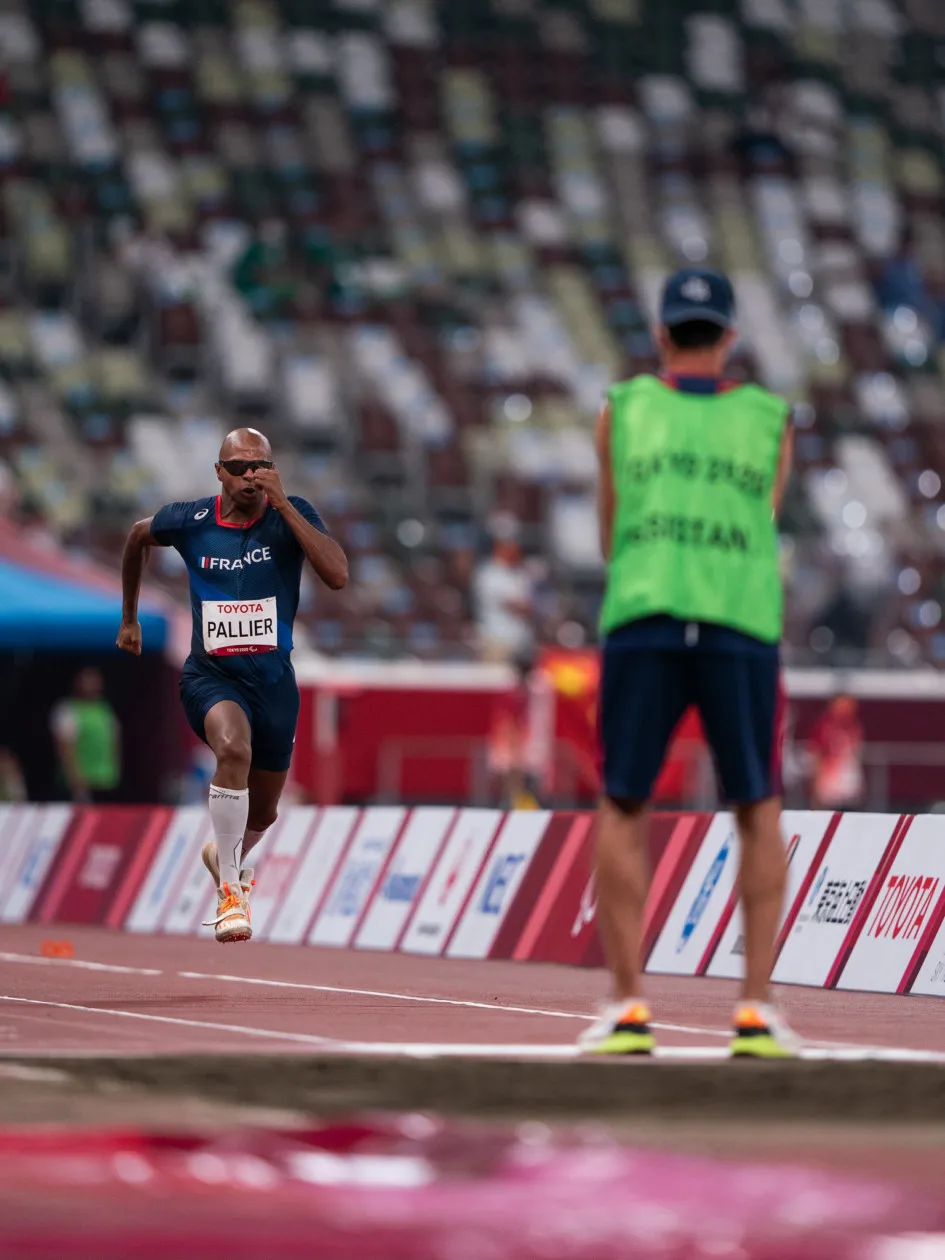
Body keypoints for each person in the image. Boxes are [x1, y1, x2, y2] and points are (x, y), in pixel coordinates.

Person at [581, 267, 797, 1059]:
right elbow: (764, 518)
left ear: (663, 335)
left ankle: (629, 1005)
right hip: (738, 617)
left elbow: (607, 534)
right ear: (730, 339)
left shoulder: (623, 410)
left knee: (623, 803)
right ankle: (755, 1009)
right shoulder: (771, 419)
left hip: (645, 612)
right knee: (755, 805)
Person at [116, 428, 348, 943]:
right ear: (218, 472)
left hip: (273, 683)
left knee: (264, 810)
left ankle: (224, 852)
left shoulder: (293, 514)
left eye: (260, 467)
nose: (251, 477)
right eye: (239, 468)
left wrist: (285, 506)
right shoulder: (191, 520)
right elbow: (136, 536)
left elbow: (336, 576)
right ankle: (230, 892)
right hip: (211, 676)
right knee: (232, 747)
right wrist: (129, 617)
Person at [50, 668, 121, 803]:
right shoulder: (67, 710)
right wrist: (76, 783)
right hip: (80, 785)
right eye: (87, 680)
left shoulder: (104, 709)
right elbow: (65, 749)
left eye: (95, 680)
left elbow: (114, 742)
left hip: (105, 781)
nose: (92, 684)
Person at [807, 692, 865, 810]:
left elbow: (856, 757)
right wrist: (815, 787)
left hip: (850, 788)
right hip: (830, 788)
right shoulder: (823, 727)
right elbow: (816, 756)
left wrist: (861, 782)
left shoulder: (855, 727)